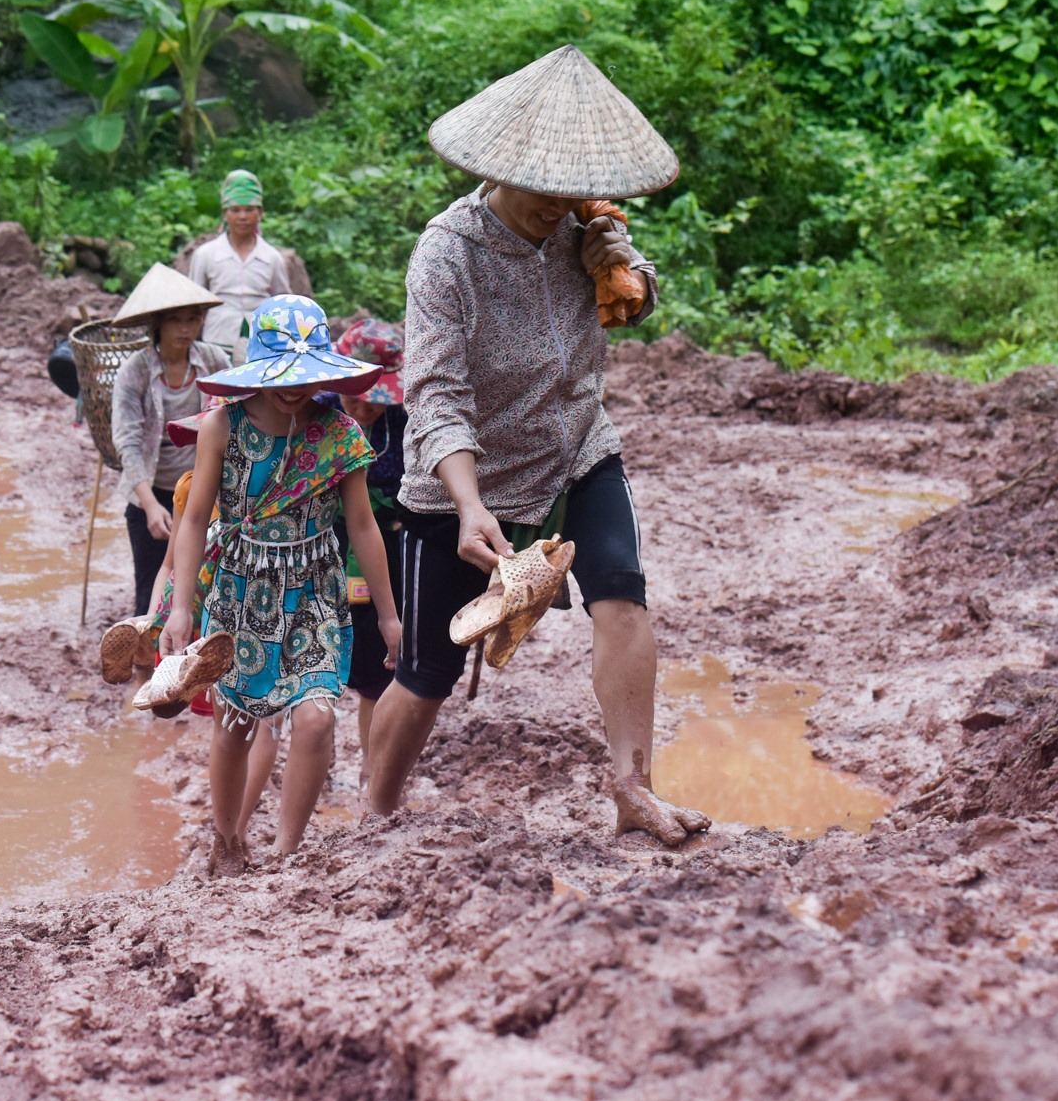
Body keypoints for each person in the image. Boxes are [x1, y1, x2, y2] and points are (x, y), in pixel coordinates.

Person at [365, 44, 713, 848]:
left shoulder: (583, 225)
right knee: (428, 673)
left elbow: (634, 296)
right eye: (542, 192)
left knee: (622, 597)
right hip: (463, 478)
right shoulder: (448, 254)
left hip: (576, 451)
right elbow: (436, 394)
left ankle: (635, 790)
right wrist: (468, 503)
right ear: (501, 168)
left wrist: (625, 269)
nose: (557, 205)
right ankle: (374, 815)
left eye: (570, 192)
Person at [160, 295, 401, 876]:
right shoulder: (223, 426)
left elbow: (363, 526)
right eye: (282, 376)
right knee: (235, 725)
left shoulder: (339, 434)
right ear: (259, 373)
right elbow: (195, 518)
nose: (294, 389)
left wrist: (390, 617)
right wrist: (181, 606)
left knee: (317, 718)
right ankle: (227, 839)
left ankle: (286, 852)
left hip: (315, 591)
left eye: (307, 376)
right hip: (241, 591)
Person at [109, 264, 229, 626]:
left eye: (192, 319)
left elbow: (233, 413)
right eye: (175, 320)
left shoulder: (213, 361)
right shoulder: (136, 371)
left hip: (202, 490)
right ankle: (145, 667)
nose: (185, 329)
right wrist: (148, 505)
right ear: (158, 324)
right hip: (152, 491)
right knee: (150, 586)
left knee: (204, 584)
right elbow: (127, 441)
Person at [323, 318, 408, 784]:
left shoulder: (405, 420)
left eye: (376, 398)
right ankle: (322, 761)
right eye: (354, 395)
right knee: (320, 660)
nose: (364, 407)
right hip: (321, 549)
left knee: (379, 666)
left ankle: (371, 774)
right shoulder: (311, 412)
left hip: (385, 550)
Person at [185, 170, 292, 364]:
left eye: (250, 209)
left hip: (262, 344)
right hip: (217, 340)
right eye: (235, 210)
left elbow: (283, 301)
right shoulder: (206, 254)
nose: (243, 216)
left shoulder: (271, 257)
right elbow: (193, 302)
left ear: (260, 213)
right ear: (225, 214)